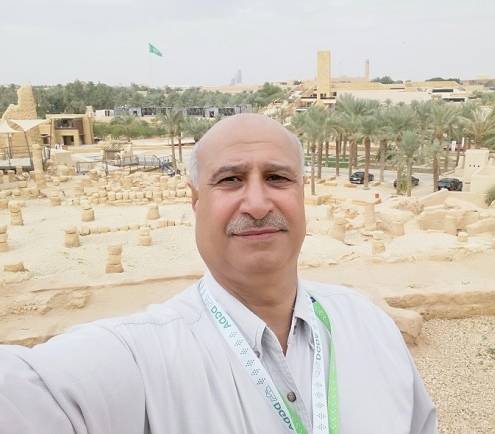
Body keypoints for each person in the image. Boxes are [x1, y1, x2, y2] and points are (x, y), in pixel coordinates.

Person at [0, 114, 436, 433]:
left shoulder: (371, 326)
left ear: (302, 192)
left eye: (277, 178)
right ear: (195, 201)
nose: (258, 204)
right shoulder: (140, 357)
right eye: (230, 180)